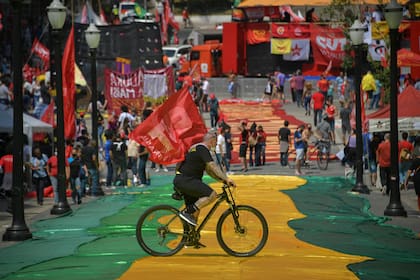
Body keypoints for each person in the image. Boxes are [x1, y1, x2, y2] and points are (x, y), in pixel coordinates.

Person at [174, 130, 236, 226]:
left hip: (184, 180)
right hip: (187, 180)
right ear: (212, 140)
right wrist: (227, 178)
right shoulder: (202, 148)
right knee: (211, 195)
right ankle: (186, 212)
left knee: (194, 213)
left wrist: (223, 180)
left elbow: (210, 171)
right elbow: (212, 166)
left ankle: (189, 238)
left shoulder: (196, 148)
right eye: (216, 142)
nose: (216, 144)